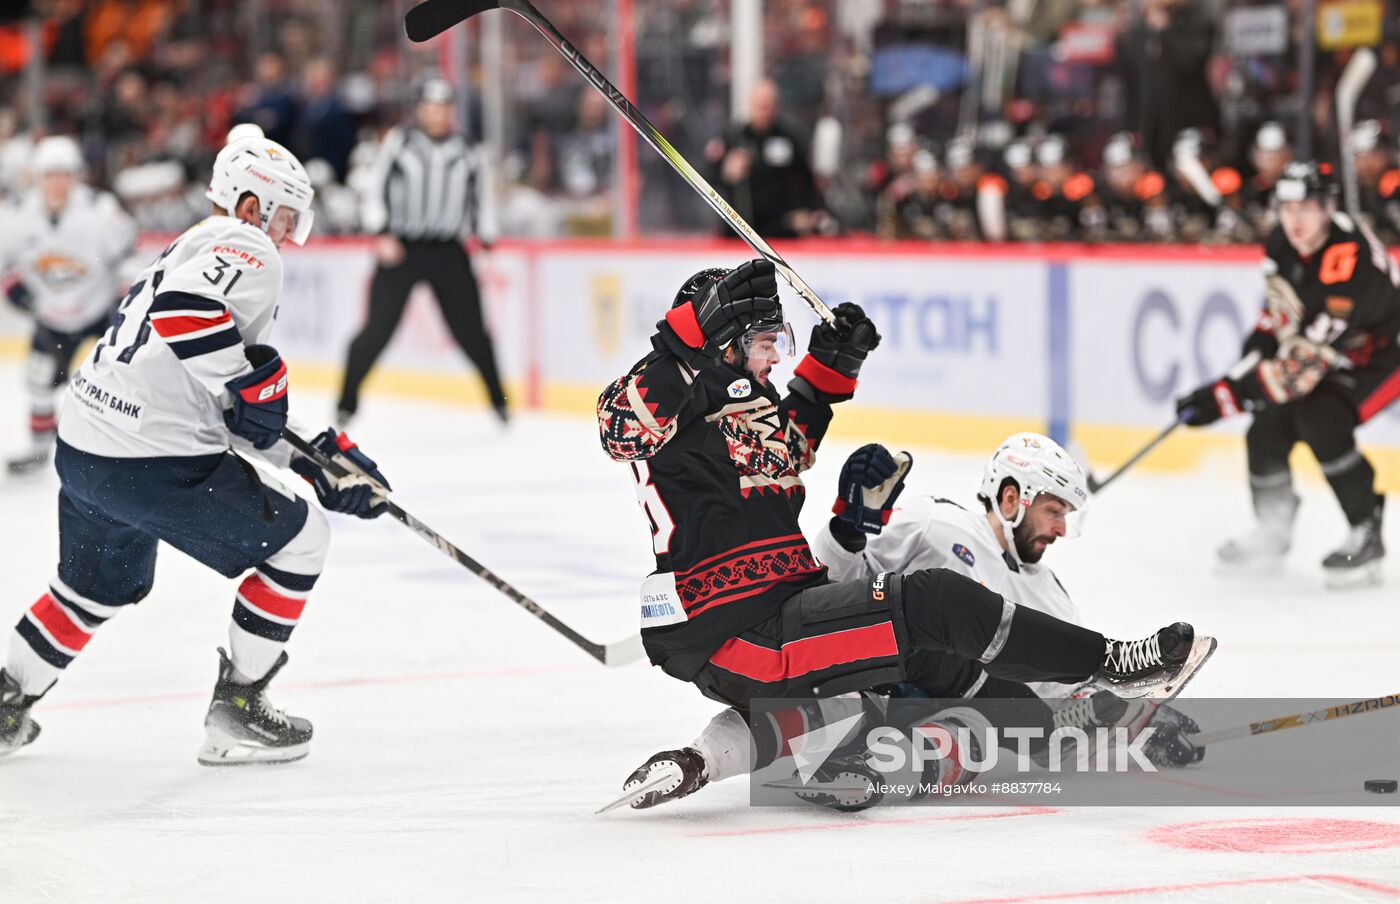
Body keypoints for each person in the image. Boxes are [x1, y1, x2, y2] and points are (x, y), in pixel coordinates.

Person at [595, 259, 1216, 810]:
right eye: (763, 341)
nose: (775, 355)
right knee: (931, 600)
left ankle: (1060, 735)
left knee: (938, 655)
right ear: (721, 344)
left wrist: (826, 373)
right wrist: (690, 340)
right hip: (732, 627)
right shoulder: (674, 408)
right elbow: (617, 424)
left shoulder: (743, 412)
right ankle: (1111, 660)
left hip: (769, 617)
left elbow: (790, 444)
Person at [0, 134, 392, 764]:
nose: (288, 235)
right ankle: (239, 708)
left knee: (90, 590)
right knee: (301, 542)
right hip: (151, 456)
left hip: (86, 448)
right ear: (250, 205)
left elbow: (214, 394)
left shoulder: (191, 244)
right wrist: (245, 380)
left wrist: (310, 462)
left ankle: (6, 700)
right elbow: (187, 317)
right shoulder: (247, 244)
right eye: (285, 217)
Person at [1176, 162, 1400, 587]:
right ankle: (1272, 530)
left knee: (1321, 417)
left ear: (1328, 208)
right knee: (1266, 428)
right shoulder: (1281, 241)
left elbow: (1298, 368)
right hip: (1333, 351)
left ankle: (1365, 531)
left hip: (1384, 357)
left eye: (1306, 209)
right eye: (1287, 208)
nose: (1295, 220)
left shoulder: (1347, 261)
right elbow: (1281, 314)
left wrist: (1223, 396)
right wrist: (1257, 347)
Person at [337, 78, 507, 425]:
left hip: (448, 250)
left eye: (443, 107)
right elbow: (376, 188)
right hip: (402, 248)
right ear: (420, 109)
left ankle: (499, 402)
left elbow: (482, 199)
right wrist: (381, 232)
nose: (436, 114)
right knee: (377, 330)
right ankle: (346, 402)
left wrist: (486, 240)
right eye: (430, 107)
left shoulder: (468, 149)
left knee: (472, 332)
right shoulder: (401, 142)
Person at [0, 135, 137, 474]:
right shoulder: (18, 215)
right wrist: (16, 291)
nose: (57, 183)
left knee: (112, 388)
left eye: (64, 174)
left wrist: (123, 300)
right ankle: (38, 450)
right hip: (49, 316)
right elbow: (5, 263)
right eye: (50, 174)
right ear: (38, 177)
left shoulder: (100, 211)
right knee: (38, 382)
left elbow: (127, 257)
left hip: (98, 314)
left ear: (76, 175)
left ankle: (115, 454)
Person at [704, 79, 827, 239]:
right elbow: (707, 180)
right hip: (739, 229)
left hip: (780, 228)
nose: (764, 111)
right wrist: (726, 172)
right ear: (750, 105)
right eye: (760, 106)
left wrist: (807, 212)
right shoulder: (732, 137)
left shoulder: (789, 139)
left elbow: (806, 181)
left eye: (769, 105)